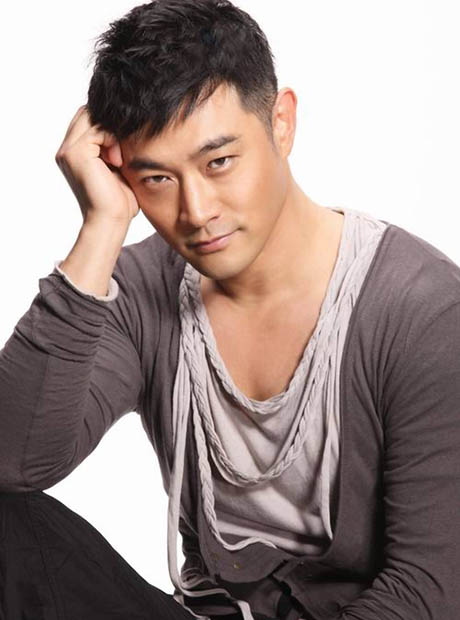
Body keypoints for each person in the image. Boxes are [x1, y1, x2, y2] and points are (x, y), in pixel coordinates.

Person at [1, 0, 460, 619]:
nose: (196, 211)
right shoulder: (140, 289)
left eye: (218, 162)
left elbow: (430, 589)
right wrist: (101, 227)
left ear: (281, 122)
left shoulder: (422, 312)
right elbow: (12, 463)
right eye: (157, 178)